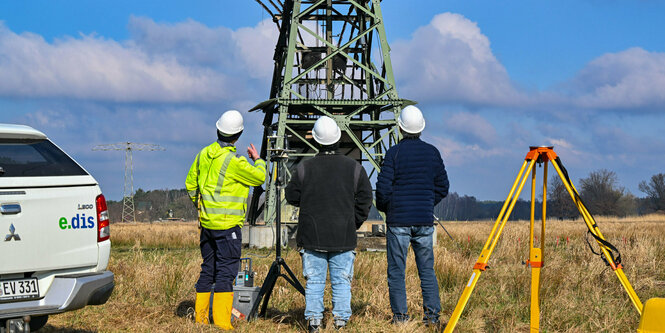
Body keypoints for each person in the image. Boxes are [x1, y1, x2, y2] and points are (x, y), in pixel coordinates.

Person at [285, 116, 373, 332]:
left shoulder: (305, 169)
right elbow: (365, 199)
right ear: (338, 138)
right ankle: (341, 323)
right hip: (343, 236)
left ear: (315, 140)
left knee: (314, 282)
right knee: (342, 282)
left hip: (312, 236)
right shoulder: (354, 168)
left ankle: (314, 322)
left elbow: (291, 195)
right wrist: (353, 222)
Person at [185, 110, 266, 330]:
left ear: (218, 129)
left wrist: (202, 208)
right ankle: (222, 323)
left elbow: (190, 184)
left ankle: (201, 319)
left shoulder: (203, 154)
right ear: (238, 135)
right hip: (227, 227)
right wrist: (258, 160)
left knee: (208, 269)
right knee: (226, 272)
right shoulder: (233, 162)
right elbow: (260, 177)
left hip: (207, 225)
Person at [375, 105, 449, 326]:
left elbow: (383, 190)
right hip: (424, 221)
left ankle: (400, 319)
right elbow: (443, 186)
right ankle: (432, 319)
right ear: (421, 128)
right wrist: (426, 204)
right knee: (426, 270)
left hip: (398, 222)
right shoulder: (432, 153)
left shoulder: (394, 153)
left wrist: (389, 209)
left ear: (400, 128)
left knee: (397, 271)